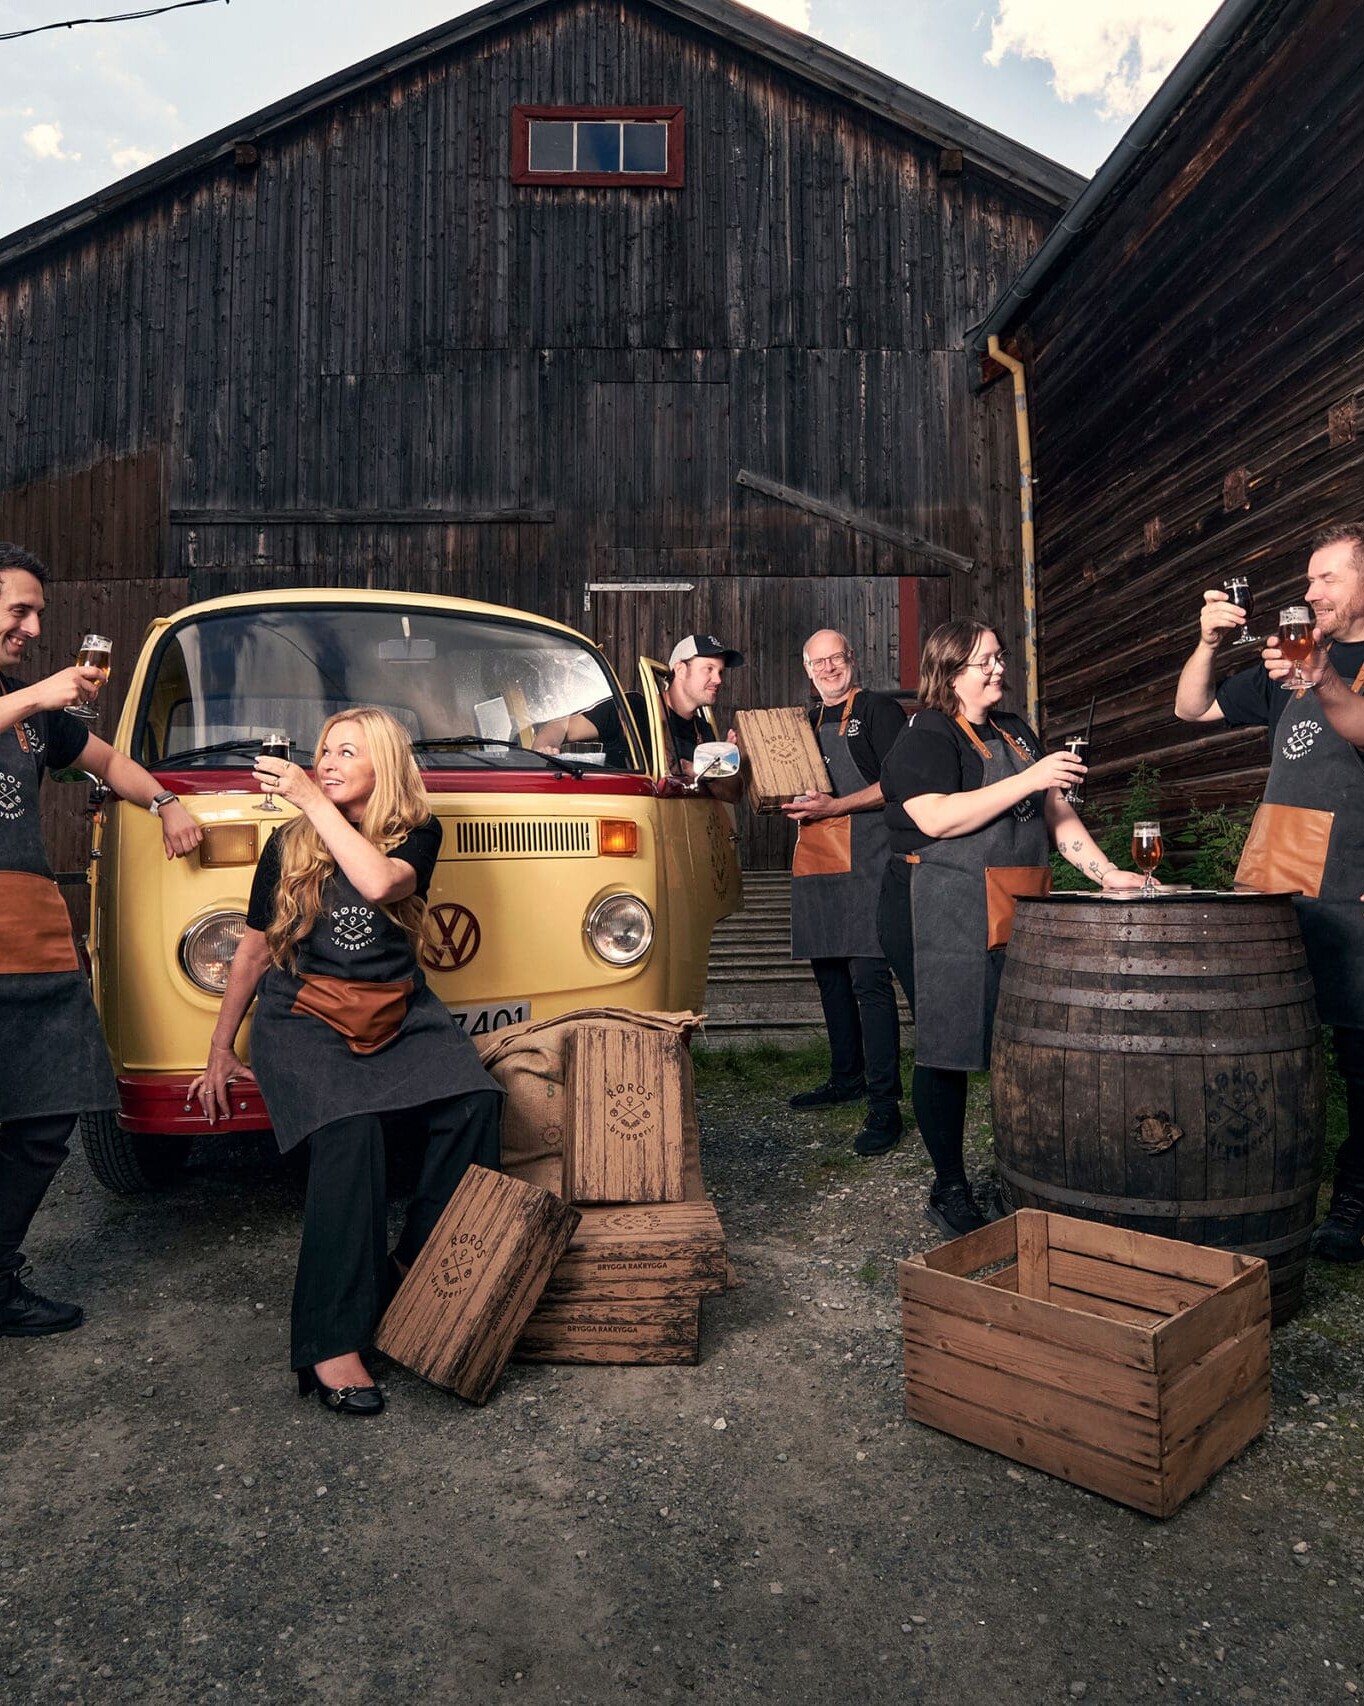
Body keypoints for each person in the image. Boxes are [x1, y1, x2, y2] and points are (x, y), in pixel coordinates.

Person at [188, 707, 502, 1414]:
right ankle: (331, 1342)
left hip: (398, 1007)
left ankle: (410, 1268)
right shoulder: (290, 843)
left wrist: (307, 800)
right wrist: (219, 1048)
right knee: (352, 1129)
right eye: (322, 750)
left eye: (345, 752)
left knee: (477, 1102)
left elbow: (383, 885)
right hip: (304, 1015)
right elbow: (255, 949)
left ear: (381, 766)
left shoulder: (417, 832)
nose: (324, 762)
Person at [878, 621, 1145, 1236]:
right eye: (985, 663)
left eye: (999, 658)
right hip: (936, 904)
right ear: (950, 672)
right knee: (947, 1046)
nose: (999, 670)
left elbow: (1056, 813)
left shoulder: (1016, 730)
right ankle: (949, 1186)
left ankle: (1021, 1167)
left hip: (1013, 904)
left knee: (1017, 1041)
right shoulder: (927, 733)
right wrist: (1028, 778)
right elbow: (936, 817)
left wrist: (1106, 873)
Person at [0, 544, 202, 1337]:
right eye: (19, 609)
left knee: (49, 1116)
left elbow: (108, 760)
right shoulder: (29, 703)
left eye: (38, 613)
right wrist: (36, 698)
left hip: (30, 942)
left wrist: (165, 803)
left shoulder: (35, 715)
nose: (34, 626)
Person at [1175, 524, 1364, 1261]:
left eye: (1326, 579)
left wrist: (1321, 677)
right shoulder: (1287, 658)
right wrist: (1207, 644)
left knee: (1357, 1050)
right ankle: (1260, 1172)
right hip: (1277, 872)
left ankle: (1352, 1196)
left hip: (1352, 877)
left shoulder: (1319, 665)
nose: (1310, 592)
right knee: (1262, 1034)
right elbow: (1192, 709)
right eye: (1308, 580)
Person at [782, 630, 906, 1154]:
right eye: (818, 662)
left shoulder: (879, 710)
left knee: (868, 979)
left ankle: (885, 1107)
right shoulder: (802, 723)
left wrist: (834, 807)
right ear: (808, 670)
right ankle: (845, 1079)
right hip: (818, 853)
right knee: (829, 974)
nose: (828, 668)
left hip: (871, 852)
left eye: (836, 658)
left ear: (852, 660)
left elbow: (899, 783)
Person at [534, 634, 744, 799]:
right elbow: (560, 727)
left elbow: (733, 795)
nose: (717, 679)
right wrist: (544, 749)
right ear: (680, 669)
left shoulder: (703, 730)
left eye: (720, 672)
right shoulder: (631, 709)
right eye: (709, 669)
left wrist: (709, 767)